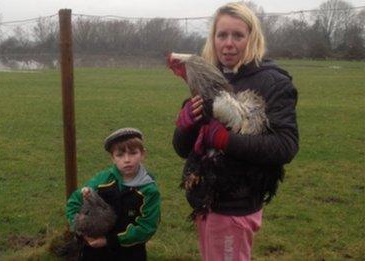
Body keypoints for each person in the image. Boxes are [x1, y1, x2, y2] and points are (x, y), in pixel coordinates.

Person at [173, 2, 299, 261]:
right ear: (213, 38)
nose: (228, 43)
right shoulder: (210, 77)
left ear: (252, 38)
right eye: (222, 35)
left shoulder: (273, 81)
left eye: (238, 35)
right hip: (205, 199)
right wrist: (185, 127)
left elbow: (285, 146)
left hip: (236, 204)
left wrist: (224, 139)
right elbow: (183, 149)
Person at [66, 127, 161, 261]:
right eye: (120, 155)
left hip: (130, 253)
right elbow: (74, 202)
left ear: (143, 154)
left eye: (133, 153)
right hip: (94, 252)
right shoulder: (102, 180)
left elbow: (147, 227)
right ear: (112, 157)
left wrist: (109, 240)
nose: (127, 159)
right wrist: (81, 229)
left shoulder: (149, 191)